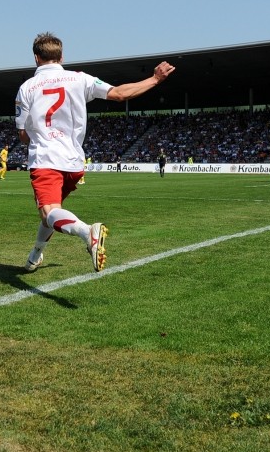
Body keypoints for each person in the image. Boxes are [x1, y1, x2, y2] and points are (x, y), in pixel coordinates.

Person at [15, 32, 175, 272]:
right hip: (73, 162)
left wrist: (37, 133)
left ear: (36, 58)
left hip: (46, 158)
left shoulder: (26, 88)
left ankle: (87, 231)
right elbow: (120, 94)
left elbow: (23, 136)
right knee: (53, 211)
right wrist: (154, 79)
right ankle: (35, 255)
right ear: (61, 56)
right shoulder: (79, 79)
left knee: (49, 212)